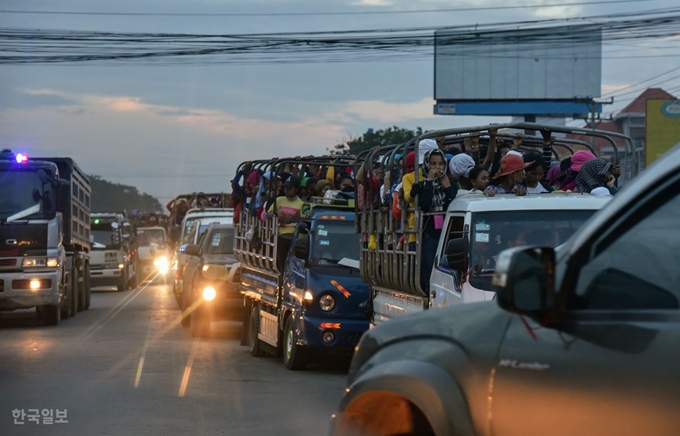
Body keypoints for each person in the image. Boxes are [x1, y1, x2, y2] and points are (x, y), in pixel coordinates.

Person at [410, 149, 457, 293]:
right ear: (426, 165)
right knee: (429, 268)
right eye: (433, 164)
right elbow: (424, 204)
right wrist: (429, 182)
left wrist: (447, 186)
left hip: (448, 233)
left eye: (441, 164)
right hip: (429, 234)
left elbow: (453, 203)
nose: (438, 168)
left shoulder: (450, 183)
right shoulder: (420, 185)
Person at [268, 176, 304, 271]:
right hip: (280, 236)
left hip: (293, 237)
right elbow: (266, 215)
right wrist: (276, 213)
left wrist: (291, 220)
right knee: (280, 262)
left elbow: (302, 220)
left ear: (296, 189)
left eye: (289, 188)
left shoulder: (301, 204)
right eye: (285, 188)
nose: (286, 190)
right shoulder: (279, 200)